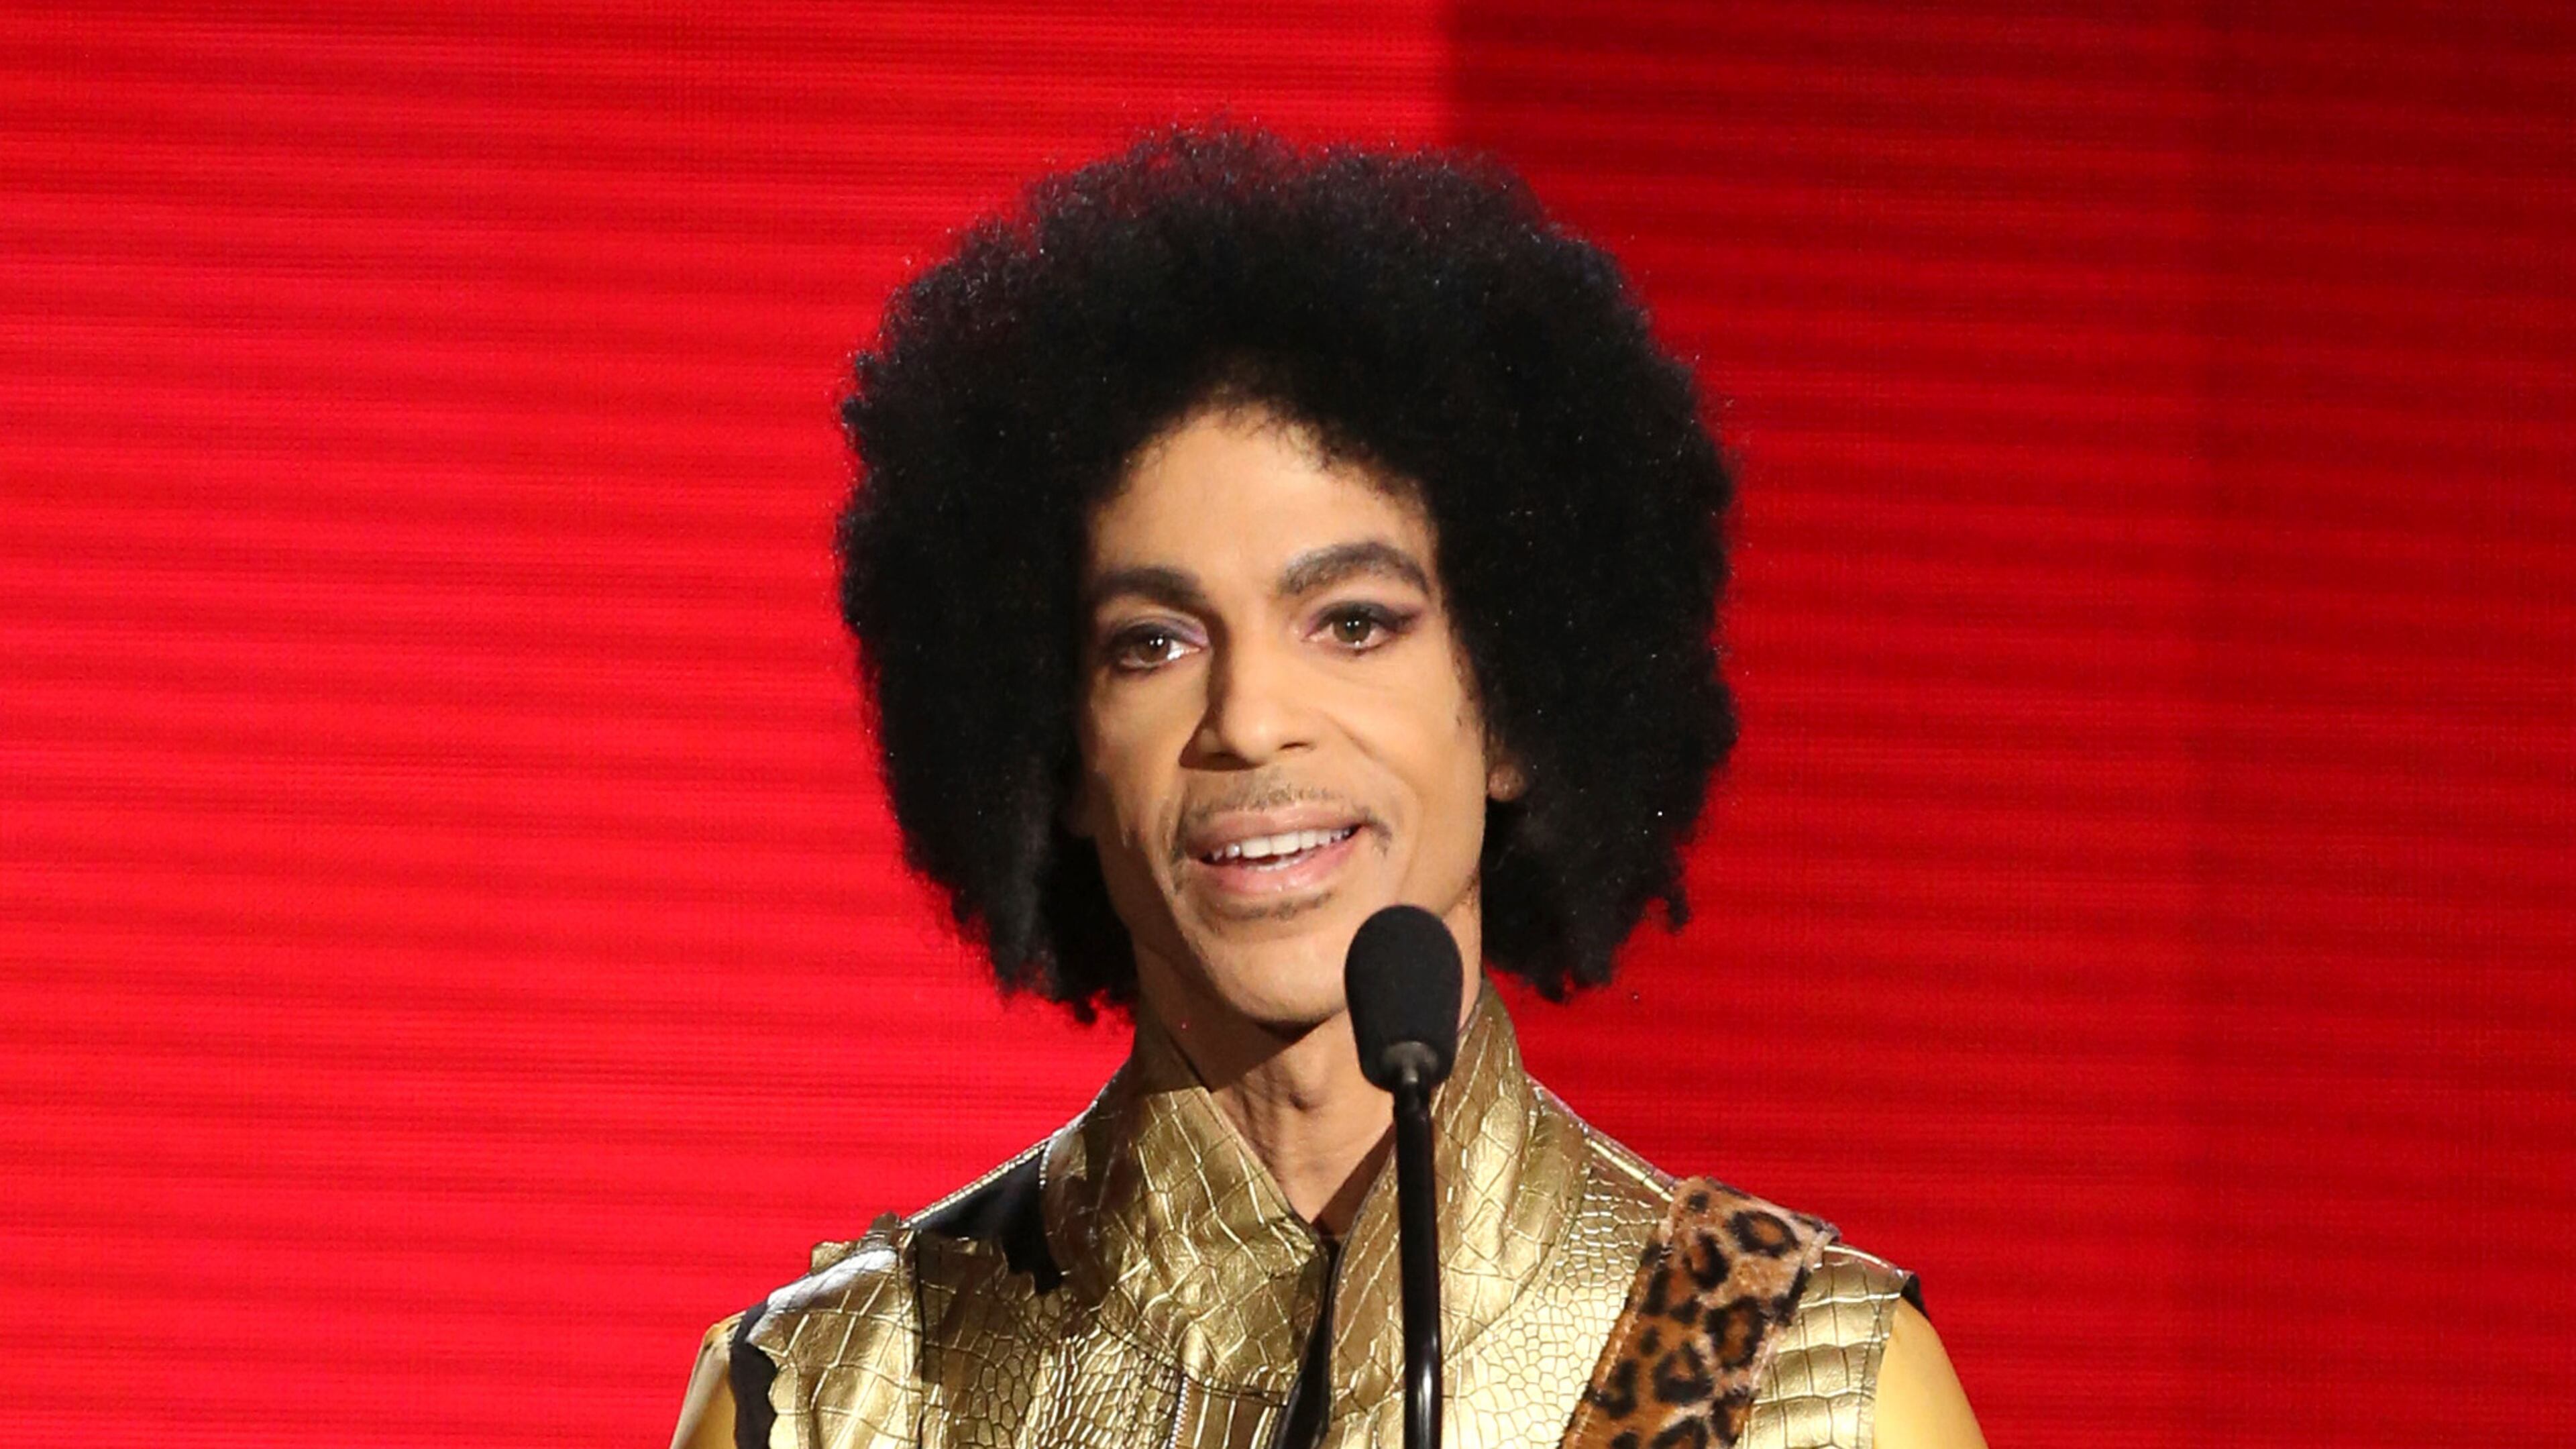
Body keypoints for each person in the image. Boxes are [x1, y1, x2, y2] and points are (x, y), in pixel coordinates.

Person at [671, 126, 1982, 1449]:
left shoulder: (1798, 1387)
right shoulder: (839, 1401)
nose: (1247, 721)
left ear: (1519, 705)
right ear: (1060, 754)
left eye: (1354, 623)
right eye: (1154, 643)